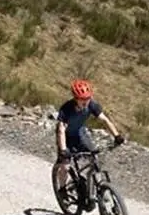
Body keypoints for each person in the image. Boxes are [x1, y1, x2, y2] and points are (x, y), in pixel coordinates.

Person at [53, 79, 125, 208]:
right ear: (76, 98)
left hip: (80, 133)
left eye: (88, 97)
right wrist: (63, 150)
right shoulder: (67, 109)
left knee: (94, 157)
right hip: (65, 138)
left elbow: (105, 120)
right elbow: (61, 130)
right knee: (65, 166)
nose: (86, 101)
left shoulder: (92, 105)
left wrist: (117, 135)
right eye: (82, 99)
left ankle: (98, 188)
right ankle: (63, 189)